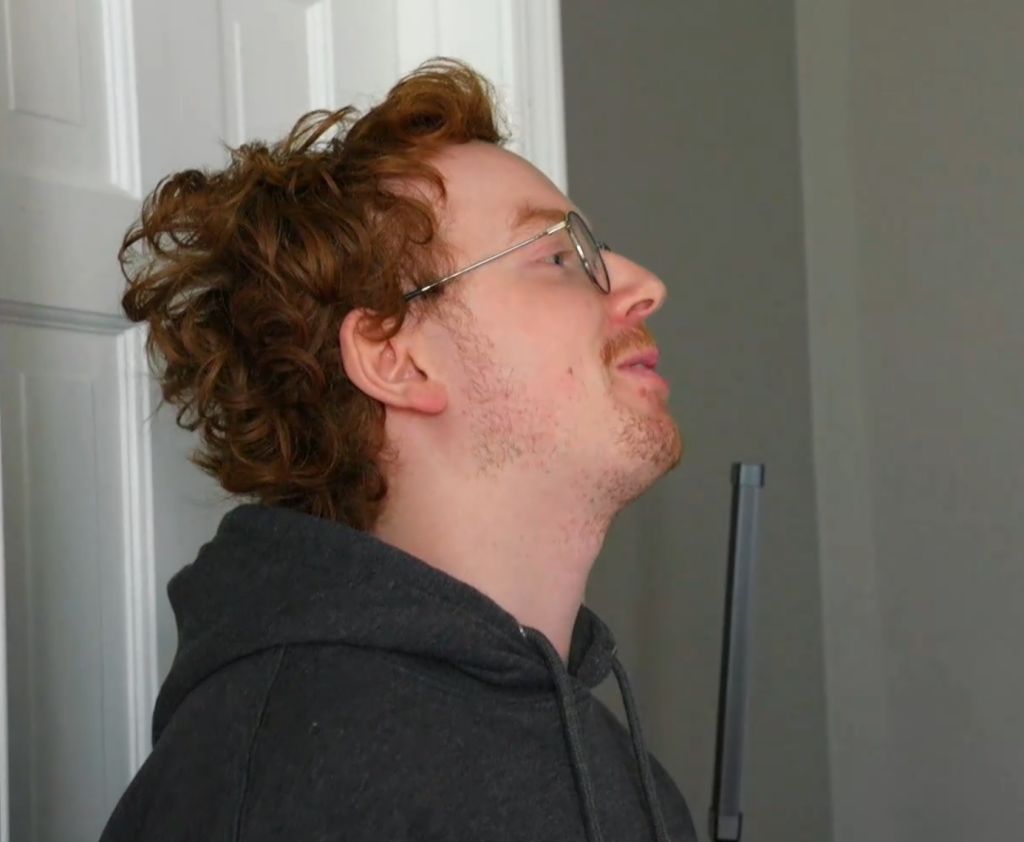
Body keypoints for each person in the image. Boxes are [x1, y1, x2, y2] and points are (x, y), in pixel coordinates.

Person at [99, 58, 696, 842]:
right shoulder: (290, 783)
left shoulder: (602, 757)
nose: (644, 284)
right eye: (557, 257)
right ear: (396, 360)